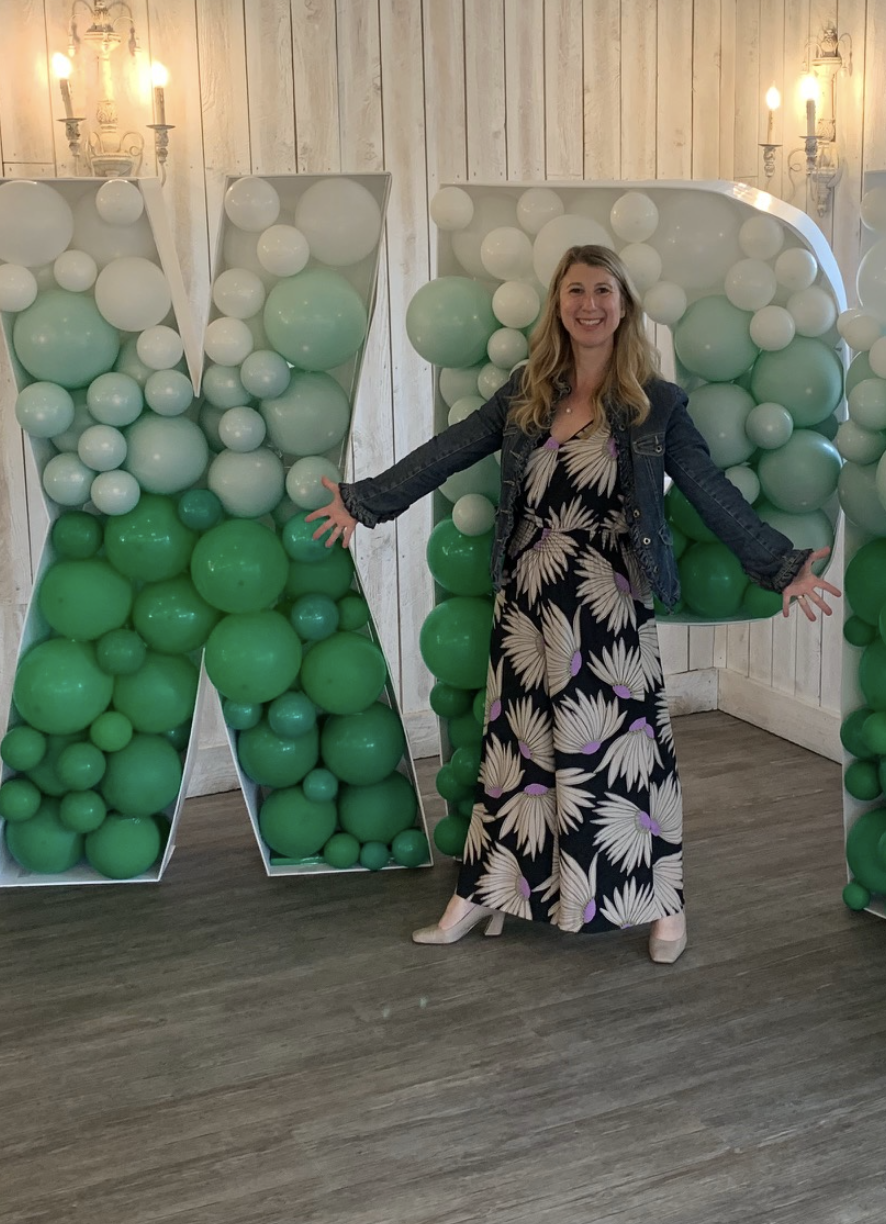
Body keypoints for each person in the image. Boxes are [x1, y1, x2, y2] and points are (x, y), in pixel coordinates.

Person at [307, 243, 840, 964]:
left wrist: (781, 568)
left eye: (603, 292)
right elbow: (449, 450)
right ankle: (480, 894)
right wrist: (365, 503)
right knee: (516, 754)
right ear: (559, 305)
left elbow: (712, 493)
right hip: (527, 600)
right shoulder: (529, 393)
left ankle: (664, 906)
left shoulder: (655, 406)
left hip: (609, 602)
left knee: (626, 758)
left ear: (624, 307)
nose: (589, 304)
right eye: (575, 291)